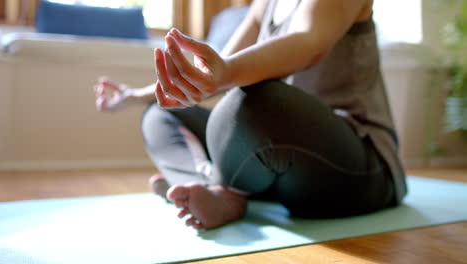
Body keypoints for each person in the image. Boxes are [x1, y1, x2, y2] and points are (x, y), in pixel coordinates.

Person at [93, 0, 407, 230]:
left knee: (253, 98)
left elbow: (310, 41)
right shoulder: (265, 4)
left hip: (363, 168)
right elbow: (213, 71)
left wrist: (227, 72)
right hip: (285, 167)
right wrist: (134, 95)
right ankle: (214, 188)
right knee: (161, 114)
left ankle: (222, 187)